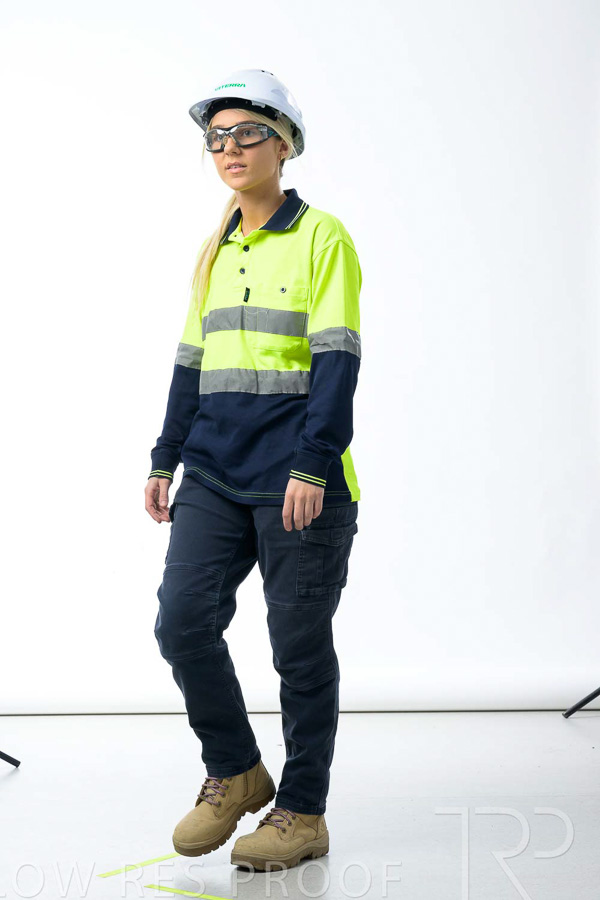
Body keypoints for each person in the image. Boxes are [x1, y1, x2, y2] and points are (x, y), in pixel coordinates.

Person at [144, 69, 362, 872]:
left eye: (247, 133)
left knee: (297, 651)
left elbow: (338, 359)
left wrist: (314, 463)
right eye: (217, 138)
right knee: (180, 623)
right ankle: (235, 770)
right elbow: (190, 364)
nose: (230, 148)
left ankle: (302, 812)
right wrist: (165, 456)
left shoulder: (322, 237)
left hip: (296, 479)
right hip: (213, 472)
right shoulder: (216, 248)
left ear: (285, 145)